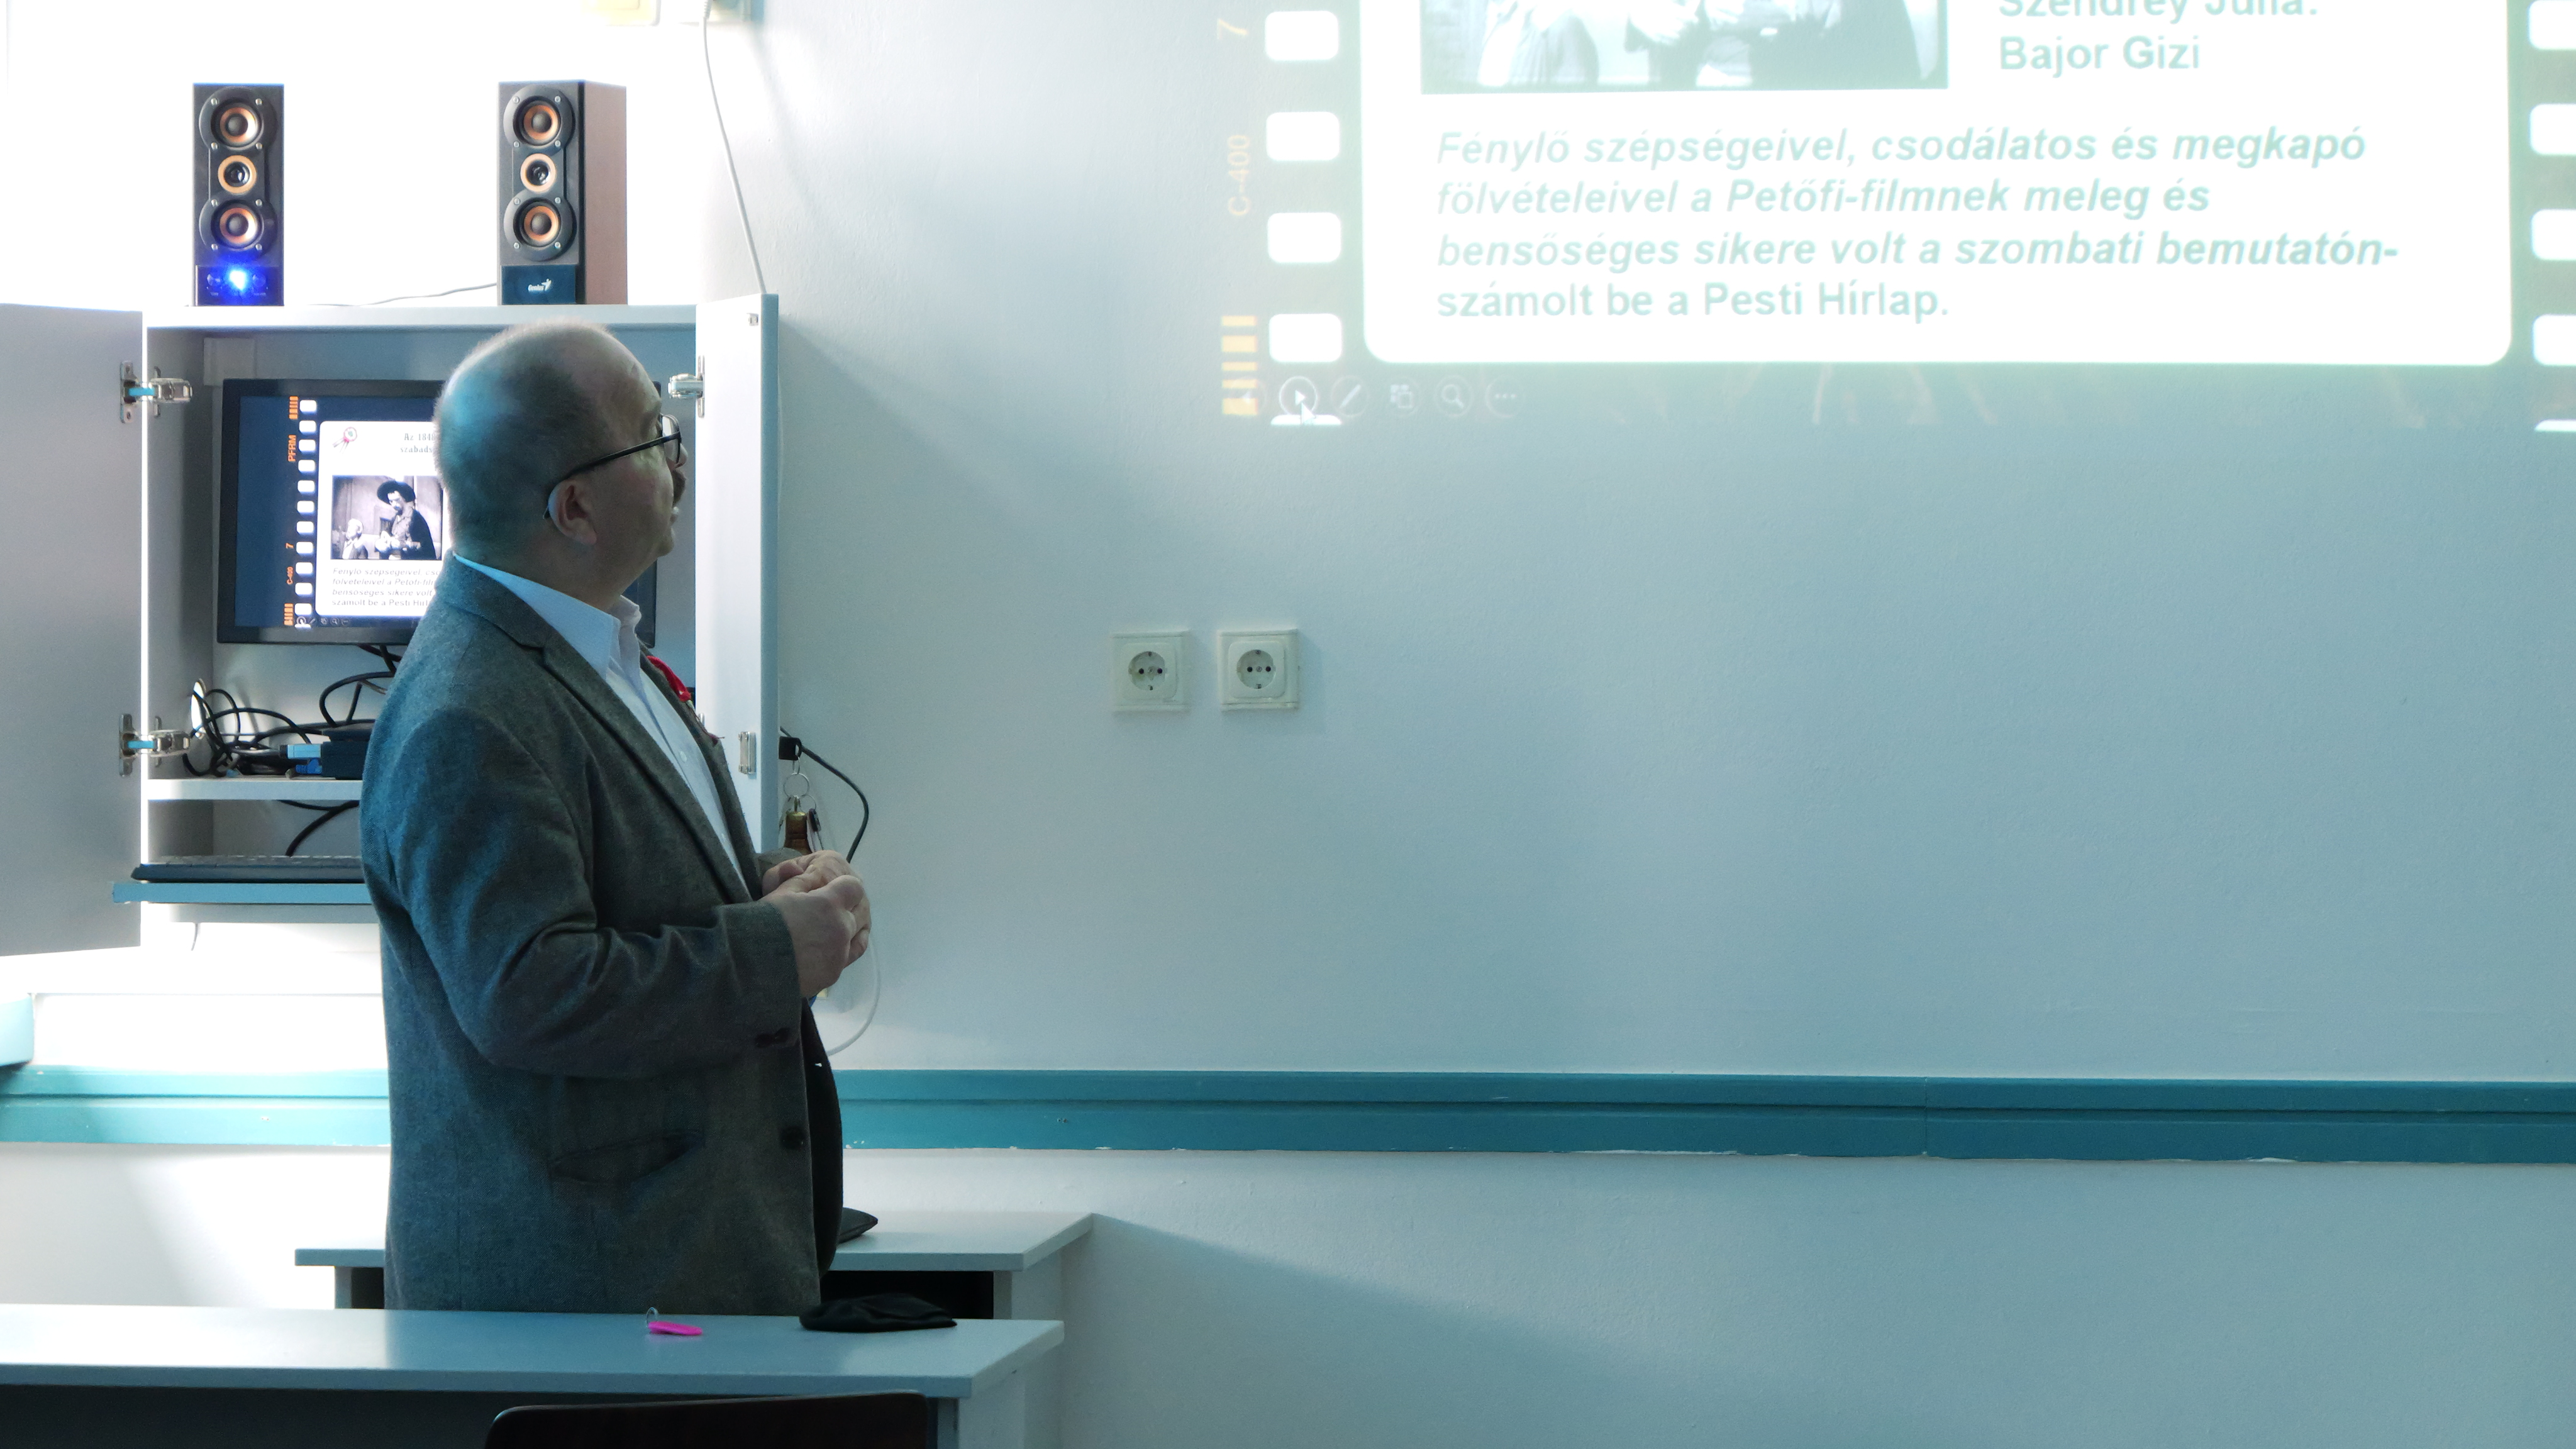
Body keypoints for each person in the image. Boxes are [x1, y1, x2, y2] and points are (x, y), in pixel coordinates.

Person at [360, 321, 872, 1315]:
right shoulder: (469, 712)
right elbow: (530, 994)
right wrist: (774, 952)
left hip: (677, 1271)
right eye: (655, 437)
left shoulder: (601, 656)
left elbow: (621, 885)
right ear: (576, 507)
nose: (679, 461)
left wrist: (769, 887)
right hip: (589, 1299)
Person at [374, 479, 440, 561]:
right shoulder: (395, 519)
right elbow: (386, 534)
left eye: (397, 500)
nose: (394, 505)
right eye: (391, 502)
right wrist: (380, 542)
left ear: (404, 498)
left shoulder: (415, 518)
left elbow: (425, 546)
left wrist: (405, 545)